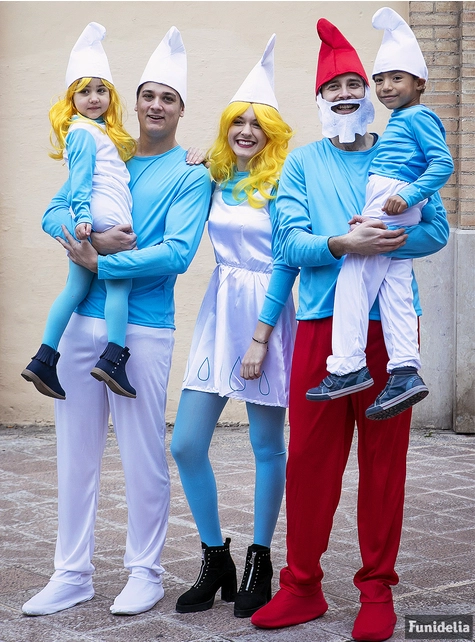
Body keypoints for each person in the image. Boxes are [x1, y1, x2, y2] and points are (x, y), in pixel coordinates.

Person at [250, 18, 449, 642]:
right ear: (319, 98)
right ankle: (301, 586)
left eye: (354, 84)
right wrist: (342, 243)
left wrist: (382, 242)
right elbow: (288, 243)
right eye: (332, 86)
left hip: (389, 333)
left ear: (371, 93)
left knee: (384, 464)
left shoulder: (404, 149)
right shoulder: (302, 164)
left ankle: (377, 590)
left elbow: (436, 231)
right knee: (309, 460)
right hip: (320, 327)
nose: (344, 94)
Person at [21, 26, 212, 617]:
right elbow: (54, 211)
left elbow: (177, 253)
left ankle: (145, 572)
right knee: (75, 456)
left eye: (168, 98)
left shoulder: (192, 172)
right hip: (81, 324)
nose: (155, 106)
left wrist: (102, 261)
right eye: (147, 95)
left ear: (181, 108)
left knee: (142, 455)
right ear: (135, 101)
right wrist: (88, 240)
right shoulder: (109, 151)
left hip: (143, 329)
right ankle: (71, 574)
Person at [170, 35, 297, 619]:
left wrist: (261, 339)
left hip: (266, 317)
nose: (246, 130)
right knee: (186, 443)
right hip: (219, 315)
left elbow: (288, 261)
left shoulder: (284, 184)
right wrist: (190, 160)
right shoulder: (215, 175)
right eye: (237, 122)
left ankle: (260, 559)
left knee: (266, 445)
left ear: (272, 132)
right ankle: (215, 557)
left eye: (257, 123)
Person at [306, 8, 454, 421]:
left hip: (393, 195)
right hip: (391, 199)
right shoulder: (404, 119)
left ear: (420, 82)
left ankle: (347, 366)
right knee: (395, 287)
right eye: (380, 79)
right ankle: (405, 370)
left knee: (354, 276)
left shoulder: (418, 116)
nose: (386, 87)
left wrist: (407, 197)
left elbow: (443, 164)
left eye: (396, 78)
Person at [21, 23, 138, 400]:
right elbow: (81, 180)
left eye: (101, 90)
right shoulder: (84, 133)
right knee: (119, 283)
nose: (94, 97)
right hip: (105, 219)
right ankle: (113, 357)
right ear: (71, 98)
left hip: (94, 219)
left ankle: (44, 358)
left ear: (110, 96)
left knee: (75, 287)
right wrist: (84, 217)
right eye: (84, 91)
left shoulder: (96, 132)